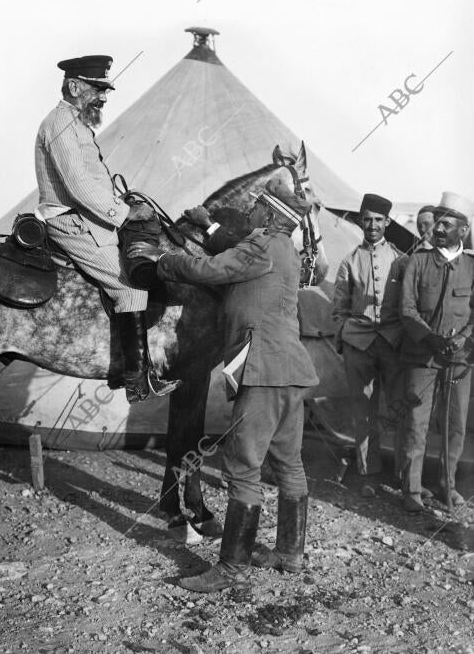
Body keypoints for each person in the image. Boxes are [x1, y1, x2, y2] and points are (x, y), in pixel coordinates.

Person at [129, 181, 319, 593]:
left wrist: (162, 259)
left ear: (268, 216)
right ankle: (290, 553)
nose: (249, 211)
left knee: (243, 467)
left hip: (263, 372)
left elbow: (211, 269)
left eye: (254, 208)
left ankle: (232, 569)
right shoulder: (282, 247)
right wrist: (210, 229)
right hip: (292, 372)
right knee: (289, 463)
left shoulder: (261, 245)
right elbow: (234, 252)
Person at [34, 54, 180, 403]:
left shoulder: (76, 125)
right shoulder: (61, 126)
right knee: (130, 288)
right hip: (70, 220)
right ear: (74, 86)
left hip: (91, 217)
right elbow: (78, 187)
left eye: (105, 89)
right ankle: (137, 380)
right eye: (97, 89)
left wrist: (124, 202)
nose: (103, 97)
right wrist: (125, 212)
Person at [400, 192, 474, 512]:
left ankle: (448, 485)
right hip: (422, 356)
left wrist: (465, 338)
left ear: (464, 229)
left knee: (455, 425)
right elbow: (406, 309)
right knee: (417, 422)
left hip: (459, 361)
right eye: (438, 222)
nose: (439, 229)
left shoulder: (472, 266)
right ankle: (412, 489)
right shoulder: (418, 261)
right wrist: (429, 338)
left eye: (448, 223)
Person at [332, 193, 408, 494]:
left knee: (401, 408)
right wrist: (345, 338)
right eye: (367, 219)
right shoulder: (349, 260)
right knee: (363, 411)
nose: (372, 225)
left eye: (378, 220)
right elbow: (338, 307)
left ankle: (405, 476)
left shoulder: (401, 260)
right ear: (360, 221)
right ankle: (368, 473)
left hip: (393, 343)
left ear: (387, 222)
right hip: (358, 345)